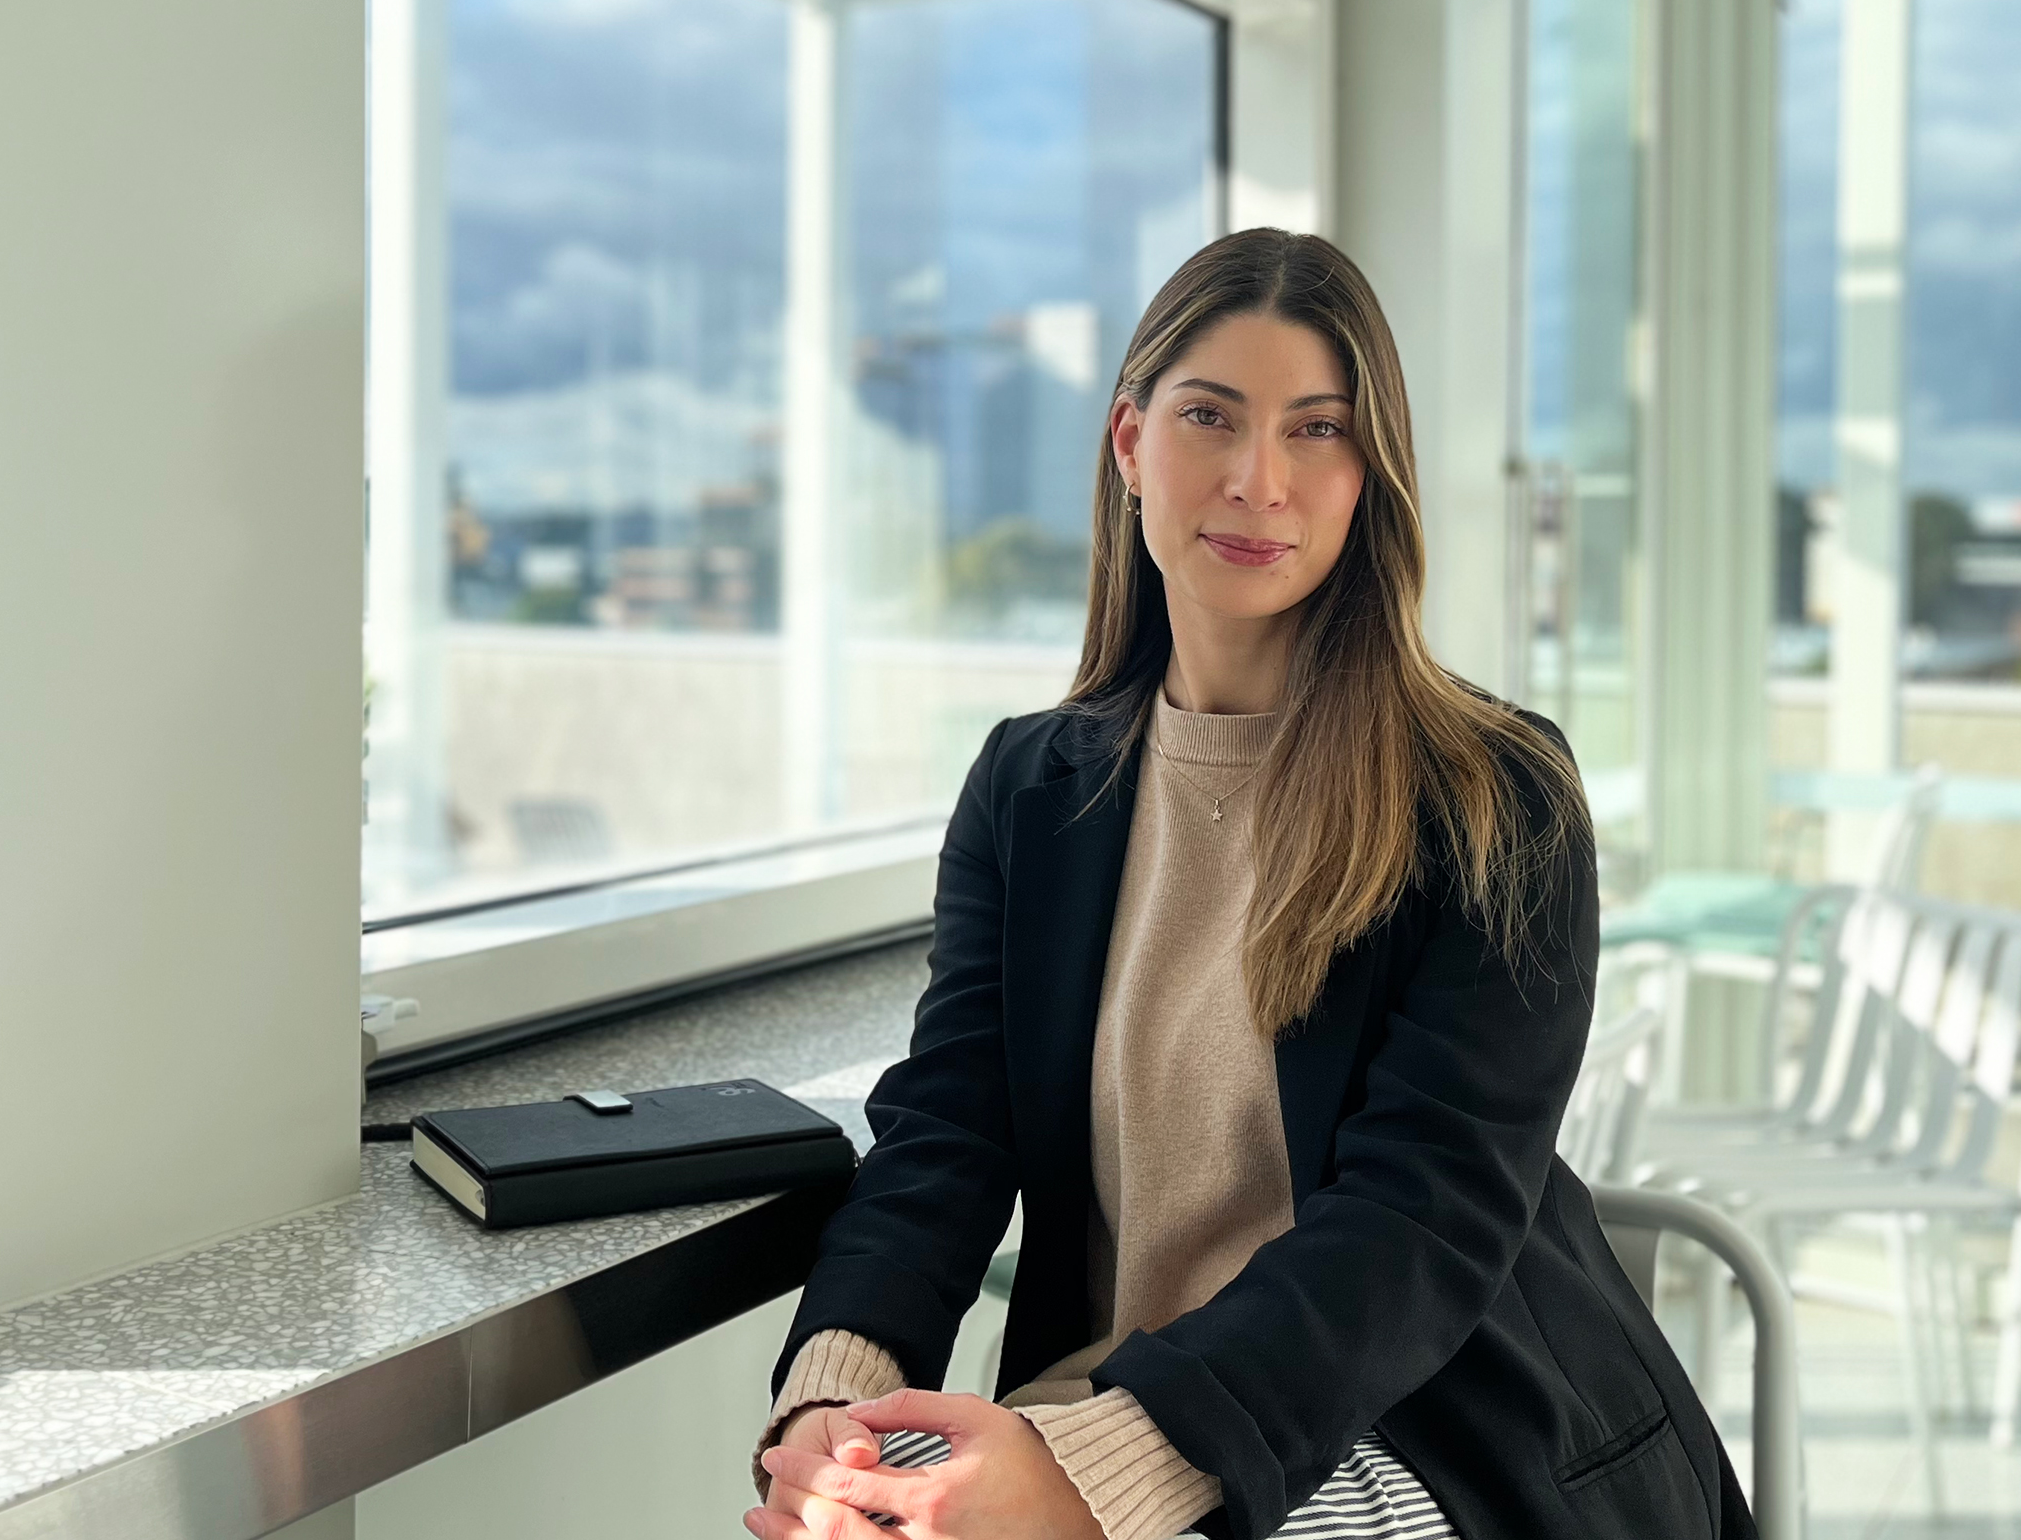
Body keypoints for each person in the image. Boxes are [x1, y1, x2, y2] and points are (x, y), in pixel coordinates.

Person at [743, 228, 1752, 1540]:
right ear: (1128, 444)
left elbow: (1422, 1216)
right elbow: (948, 1134)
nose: (1256, 479)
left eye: (1316, 431)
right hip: (1108, 1411)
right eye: (1210, 416)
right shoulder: (1028, 787)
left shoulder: (1499, 792)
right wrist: (839, 1400)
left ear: (1365, 476)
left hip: (1426, 1429)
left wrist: (1092, 1475)